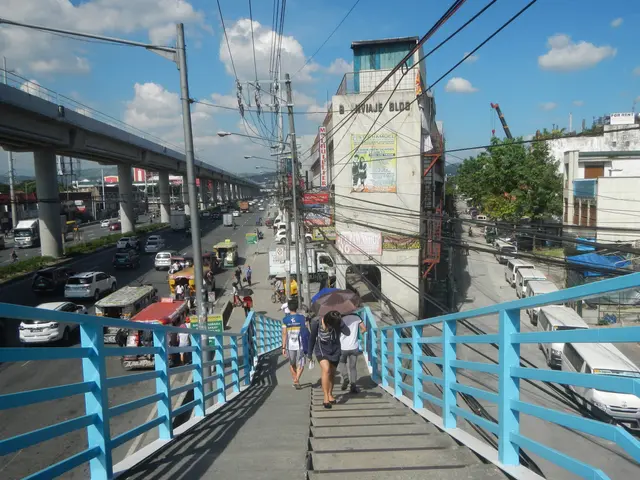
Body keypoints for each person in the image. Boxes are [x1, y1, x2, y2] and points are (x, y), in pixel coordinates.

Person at [307, 310, 351, 409]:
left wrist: (341, 322)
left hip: (335, 350)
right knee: (326, 370)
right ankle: (326, 397)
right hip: (321, 350)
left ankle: (330, 394)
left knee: (331, 373)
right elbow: (312, 338)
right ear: (328, 321)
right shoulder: (316, 322)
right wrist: (309, 354)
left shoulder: (338, 322)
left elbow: (347, 333)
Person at [281, 299, 307, 389]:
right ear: (297, 307)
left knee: (292, 363)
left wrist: (283, 348)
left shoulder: (285, 320)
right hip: (301, 345)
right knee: (302, 364)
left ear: (288, 307)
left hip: (290, 345)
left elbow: (284, 334)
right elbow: (306, 331)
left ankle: (296, 380)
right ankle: (296, 380)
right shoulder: (302, 318)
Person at [339, 313, 367, 394]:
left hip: (343, 347)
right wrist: (359, 334)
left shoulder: (340, 318)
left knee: (342, 362)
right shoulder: (357, 317)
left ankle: (345, 378)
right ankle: (353, 386)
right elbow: (364, 329)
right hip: (354, 346)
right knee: (353, 367)